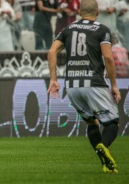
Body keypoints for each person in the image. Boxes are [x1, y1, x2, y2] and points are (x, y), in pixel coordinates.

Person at [47, 0, 120, 173]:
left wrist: (53, 79)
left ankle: (105, 163)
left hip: (72, 85)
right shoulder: (102, 29)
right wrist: (114, 85)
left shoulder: (68, 29)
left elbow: (51, 52)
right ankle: (104, 146)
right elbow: (108, 58)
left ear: (79, 12)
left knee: (91, 122)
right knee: (112, 123)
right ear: (97, 12)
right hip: (93, 83)